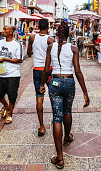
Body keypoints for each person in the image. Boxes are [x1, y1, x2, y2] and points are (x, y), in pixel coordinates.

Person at [40, 22, 89, 169]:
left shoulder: (50, 48)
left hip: (54, 83)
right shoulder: (73, 49)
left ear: (57, 33)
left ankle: (60, 157)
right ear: (69, 34)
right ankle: (67, 137)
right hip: (69, 82)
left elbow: (46, 70)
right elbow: (78, 71)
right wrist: (85, 93)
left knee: (57, 117)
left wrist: (42, 85)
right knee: (67, 111)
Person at [27, 19, 54, 137]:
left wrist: (35, 50)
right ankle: (56, 120)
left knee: (39, 97)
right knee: (54, 96)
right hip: (49, 70)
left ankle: (42, 127)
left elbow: (28, 53)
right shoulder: (50, 40)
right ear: (48, 27)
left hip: (37, 70)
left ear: (38, 26)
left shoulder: (32, 38)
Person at [0, 25, 23, 124]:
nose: (3, 31)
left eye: (5, 29)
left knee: (12, 95)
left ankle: (10, 114)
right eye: (3, 28)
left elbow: (19, 59)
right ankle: (6, 106)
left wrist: (6, 59)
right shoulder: (1, 42)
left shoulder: (17, 44)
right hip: (1, 73)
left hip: (13, 74)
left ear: (11, 32)